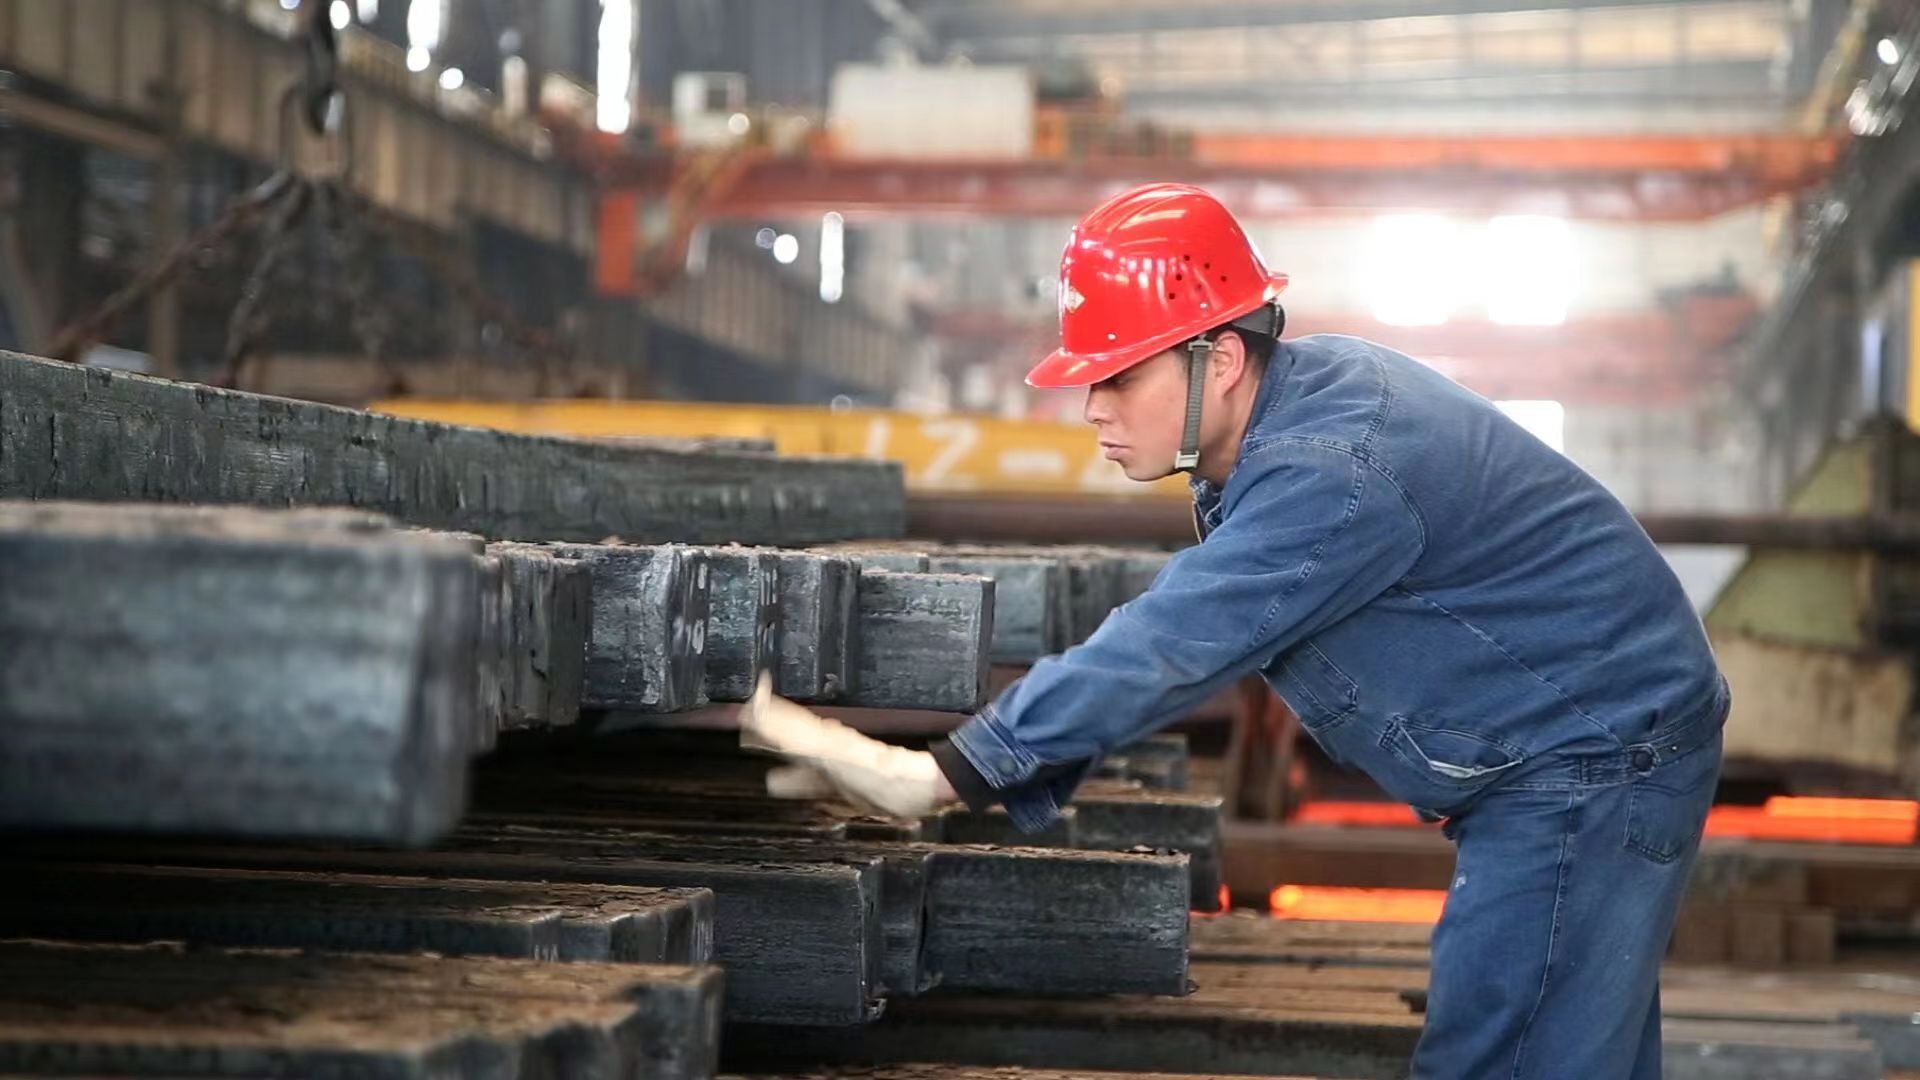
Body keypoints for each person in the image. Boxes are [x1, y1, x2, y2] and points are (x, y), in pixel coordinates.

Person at [744, 182, 1727, 1079]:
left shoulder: (1334, 467)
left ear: (1217, 358)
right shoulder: (1277, 423)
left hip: (1593, 761)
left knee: (1501, 1059)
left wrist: (950, 770)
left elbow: (1177, 636)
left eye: (1119, 378)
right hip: (1584, 744)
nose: (1091, 408)